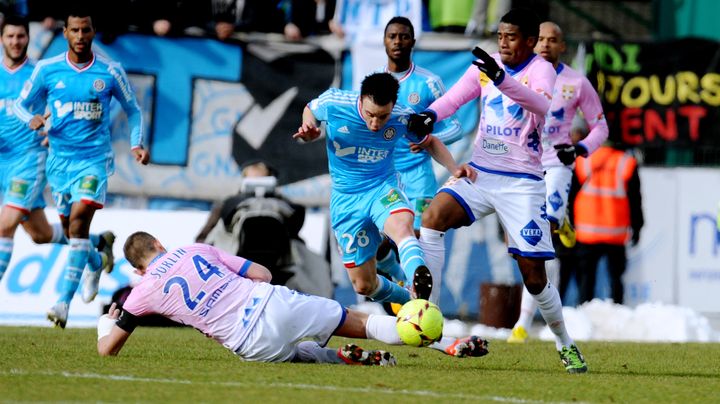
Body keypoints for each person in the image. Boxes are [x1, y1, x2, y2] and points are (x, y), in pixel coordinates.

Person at [409, 9, 588, 373]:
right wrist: (430, 115)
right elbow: (455, 98)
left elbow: (540, 105)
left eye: (510, 36)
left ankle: (565, 343)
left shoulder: (540, 70)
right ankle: (432, 319)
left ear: (528, 41)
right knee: (432, 218)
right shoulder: (486, 66)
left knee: (534, 278)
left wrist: (501, 79)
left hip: (522, 184)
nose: (502, 42)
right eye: (500, 35)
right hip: (480, 173)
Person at [96, 231, 488, 363]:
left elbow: (107, 351)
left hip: (247, 342)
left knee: (294, 353)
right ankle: (446, 343)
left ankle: (336, 357)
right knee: (361, 322)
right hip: (269, 301)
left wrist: (105, 322)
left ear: (137, 269)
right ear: (162, 245)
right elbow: (263, 274)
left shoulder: (139, 292)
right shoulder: (197, 250)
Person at [13, 6, 150, 329]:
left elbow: (133, 110)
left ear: (92, 31)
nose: (80, 36)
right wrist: (30, 118)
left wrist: (136, 143)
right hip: (58, 163)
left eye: (85, 30)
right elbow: (20, 103)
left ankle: (62, 302)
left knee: (76, 224)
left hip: (93, 161)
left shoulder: (109, 71)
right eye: (74, 30)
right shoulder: (47, 70)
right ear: (65, 33)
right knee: (77, 232)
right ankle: (97, 254)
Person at [293, 72, 475, 306]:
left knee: (402, 228)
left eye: (383, 116)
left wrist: (454, 168)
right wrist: (309, 128)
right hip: (346, 199)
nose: (375, 124)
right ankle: (410, 298)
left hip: (382, 188)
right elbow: (310, 108)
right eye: (370, 115)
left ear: (393, 106)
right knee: (364, 285)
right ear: (360, 99)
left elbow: (429, 141)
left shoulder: (402, 117)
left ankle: (418, 275)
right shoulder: (334, 103)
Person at [507, 21, 608, 343]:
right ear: (533, 43)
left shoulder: (576, 82)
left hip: (557, 165)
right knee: (527, 243)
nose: (546, 45)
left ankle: (522, 323)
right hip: (524, 166)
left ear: (562, 46)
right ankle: (562, 218)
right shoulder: (520, 75)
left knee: (539, 241)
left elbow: (600, 128)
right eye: (542, 40)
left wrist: (579, 149)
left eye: (554, 40)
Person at [0, 14, 114, 287]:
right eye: (10, 37)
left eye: (21, 36)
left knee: (5, 226)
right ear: (2, 39)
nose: (16, 42)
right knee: (39, 234)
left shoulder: (41, 72)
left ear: (29, 37)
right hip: (3, 163)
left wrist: (55, 132)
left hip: (30, 159)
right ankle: (98, 244)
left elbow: (66, 107)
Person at [375, 16, 463, 304]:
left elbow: (454, 127)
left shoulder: (428, 82)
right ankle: (400, 290)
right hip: (383, 177)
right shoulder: (374, 82)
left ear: (413, 41)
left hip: (418, 178)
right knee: (381, 242)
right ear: (384, 41)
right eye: (392, 36)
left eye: (403, 36)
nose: (398, 42)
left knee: (417, 239)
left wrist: (425, 142)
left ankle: (421, 307)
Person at [571, 142, 643, 305]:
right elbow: (635, 200)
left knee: (586, 278)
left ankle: (584, 311)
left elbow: (571, 194)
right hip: (615, 233)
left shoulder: (583, 161)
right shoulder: (626, 162)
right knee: (616, 278)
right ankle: (617, 310)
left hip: (586, 232)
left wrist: (570, 222)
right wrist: (637, 227)